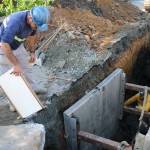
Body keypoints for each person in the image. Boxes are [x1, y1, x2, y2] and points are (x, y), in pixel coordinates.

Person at [0, 6, 50, 111]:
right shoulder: (15, 22)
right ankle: (14, 102)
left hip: (17, 45)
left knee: (26, 66)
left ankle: (33, 87)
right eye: (36, 25)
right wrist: (15, 64)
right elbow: (4, 44)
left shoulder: (34, 23)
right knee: (11, 74)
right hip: (3, 48)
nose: (36, 27)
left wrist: (32, 52)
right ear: (30, 18)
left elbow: (32, 36)